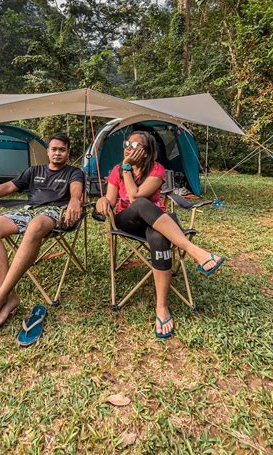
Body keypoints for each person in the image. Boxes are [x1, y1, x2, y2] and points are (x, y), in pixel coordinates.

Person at [0, 132, 84, 348]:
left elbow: (76, 191)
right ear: (48, 151)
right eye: (54, 149)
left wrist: (74, 201)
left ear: (68, 152)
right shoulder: (35, 171)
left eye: (62, 149)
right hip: (29, 211)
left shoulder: (74, 173)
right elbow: (8, 187)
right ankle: (10, 296)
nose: (57, 153)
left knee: (35, 226)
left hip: (55, 213)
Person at [95, 131, 224, 338]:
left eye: (135, 146)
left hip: (156, 222)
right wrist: (103, 201)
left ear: (145, 153)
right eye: (127, 143)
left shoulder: (157, 169)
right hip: (127, 220)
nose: (128, 147)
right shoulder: (118, 170)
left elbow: (137, 193)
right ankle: (194, 251)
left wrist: (127, 168)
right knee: (141, 204)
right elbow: (126, 198)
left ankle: (162, 307)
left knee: (159, 237)